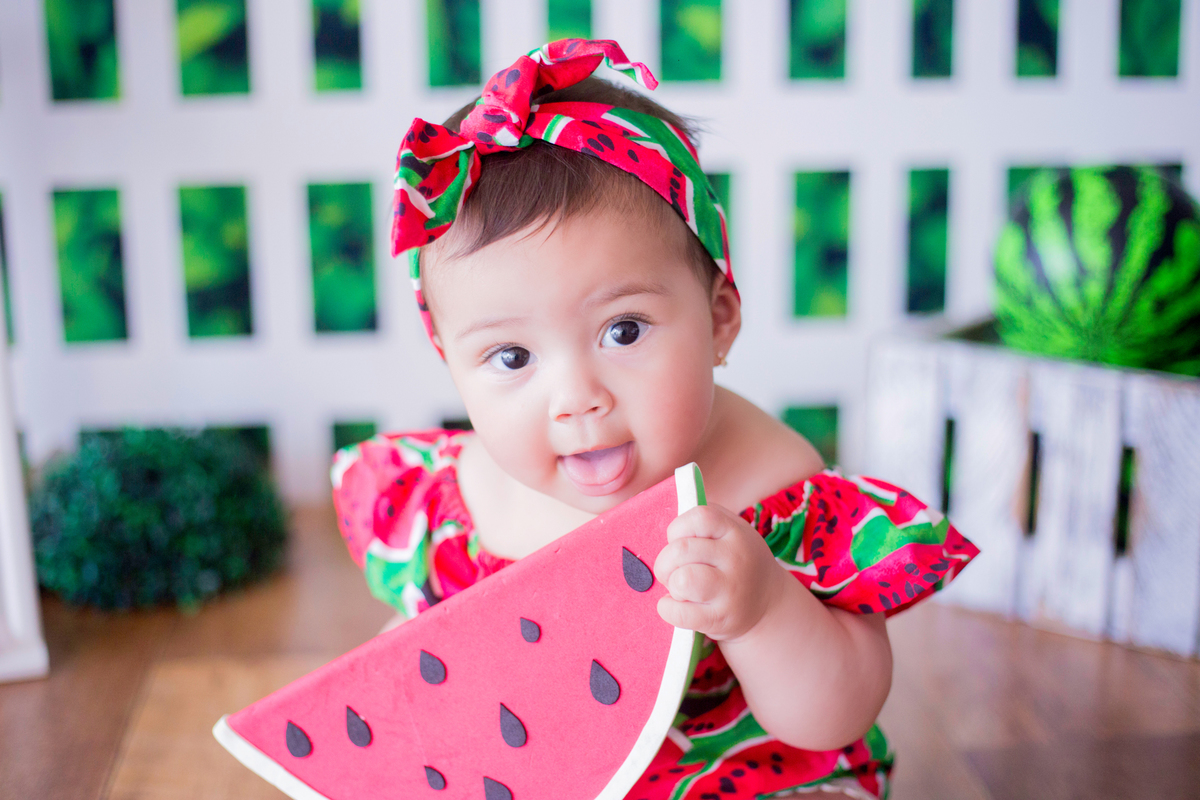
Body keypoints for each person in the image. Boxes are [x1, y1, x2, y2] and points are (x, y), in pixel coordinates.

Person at [332, 39, 978, 800]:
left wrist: (764, 609)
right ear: (448, 360)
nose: (577, 398)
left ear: (719, 319)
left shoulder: (776, 492)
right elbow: (423, 681)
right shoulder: (460, 507)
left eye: (624, 331)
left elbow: (838, 713)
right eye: (511, 357)